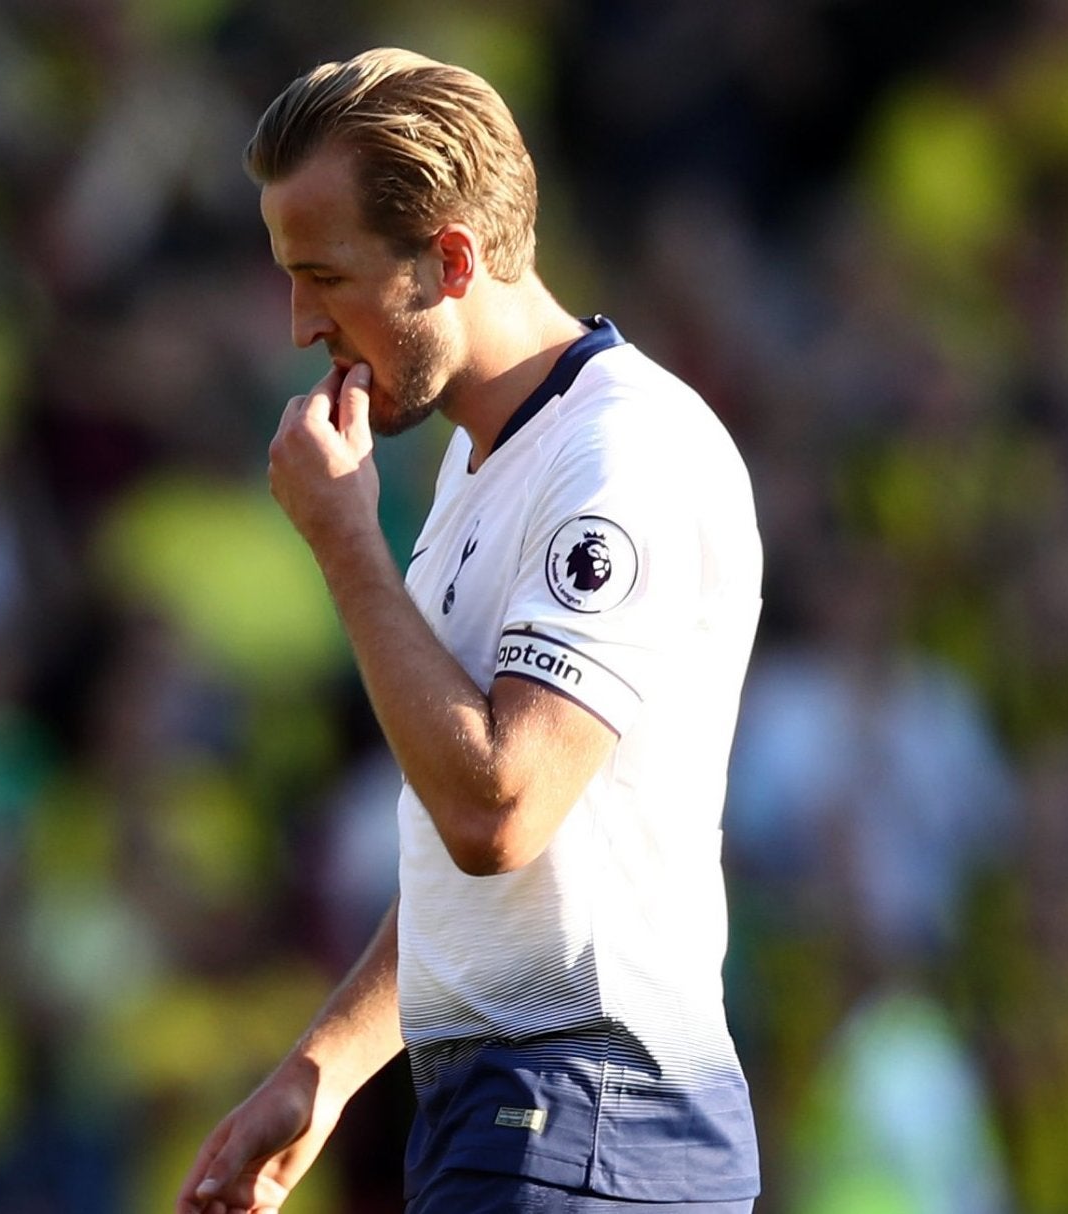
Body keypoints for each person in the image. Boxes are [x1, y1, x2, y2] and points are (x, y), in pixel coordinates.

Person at [177, 48, 763, 1214]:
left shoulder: (617, 456)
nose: (301, 325)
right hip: (515, 1112)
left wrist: (345, 545)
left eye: (323, 276)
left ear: (448, 259)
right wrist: (326, 1064)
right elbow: (501, 874)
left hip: (585, 1109)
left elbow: (499, 809)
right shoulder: (480, 461)